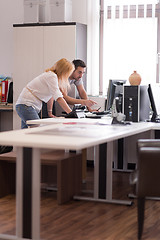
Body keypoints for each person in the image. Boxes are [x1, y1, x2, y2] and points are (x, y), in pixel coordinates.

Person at [16, 58, 74, 128]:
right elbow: (59, 98)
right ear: (64, 72)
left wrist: (49, 112)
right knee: (36, 130)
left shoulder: (52, 77)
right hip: (26, 105)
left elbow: (51, 96)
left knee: (25, 132)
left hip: (25, 105)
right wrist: (71, 113)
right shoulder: (51, 76)